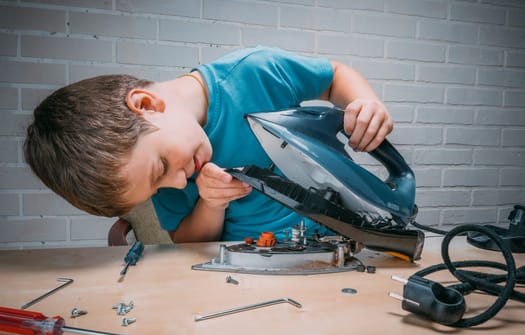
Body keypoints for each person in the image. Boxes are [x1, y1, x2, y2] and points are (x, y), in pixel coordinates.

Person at [24, 46, 393, 243]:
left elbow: (334, 76)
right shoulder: (164, 173)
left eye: (162, 169)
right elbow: (186, 241)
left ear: (147, 106)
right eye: (157, 187)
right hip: (249, 266)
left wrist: (366, 103)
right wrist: (210, 204)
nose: (174, 184)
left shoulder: (256, 72)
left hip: (350, 237)